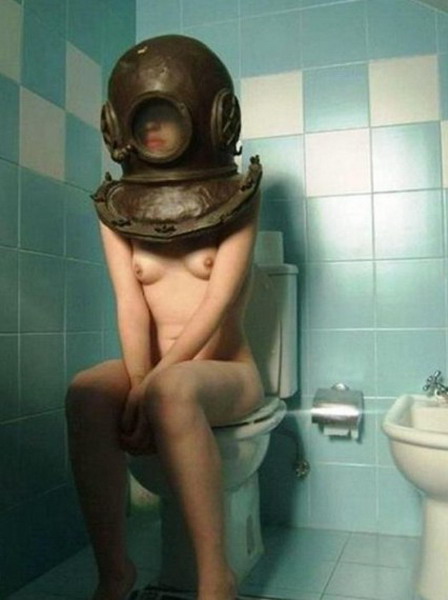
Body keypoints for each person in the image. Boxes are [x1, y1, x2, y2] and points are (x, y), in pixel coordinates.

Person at [65, 35, 264, 600]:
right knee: (86, 393)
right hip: (152, 370)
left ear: (207, 117)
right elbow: (129, 302)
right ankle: (115, 573)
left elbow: (218, 302)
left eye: (166, 112)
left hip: (227, 371)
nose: (153, 127)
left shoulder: (241, 193)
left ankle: (216, 579)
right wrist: (137, 381)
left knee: (172, 391)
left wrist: (151, 384)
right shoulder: (115, 206)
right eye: (143, 115)